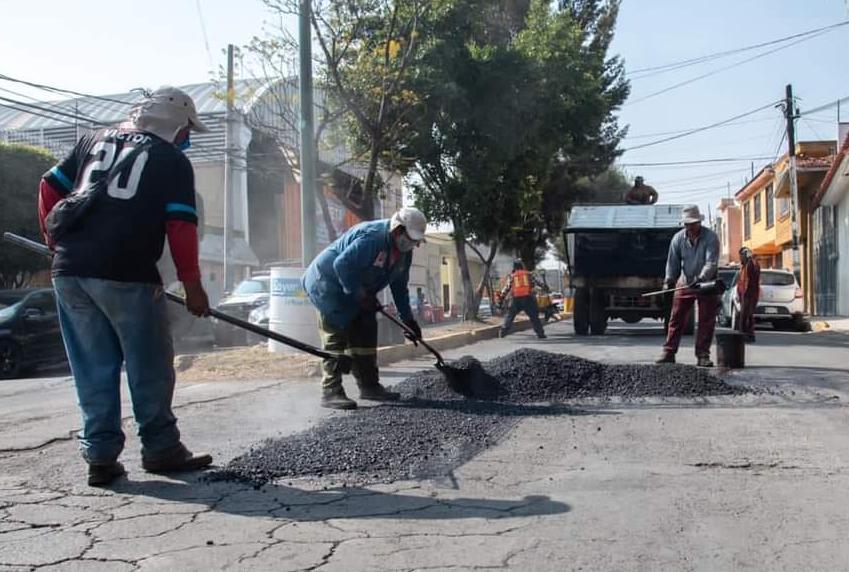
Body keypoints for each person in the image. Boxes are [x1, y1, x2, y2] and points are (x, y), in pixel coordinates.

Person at [38, 86, 213, 486]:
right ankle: (161, 448)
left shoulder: (93, 140)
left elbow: (49, 185)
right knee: (148, 362)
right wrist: (193, 286)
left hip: (70, 272)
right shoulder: (170, 160)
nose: (188, 139)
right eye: (187, 130)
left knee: (92, 366)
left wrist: (54, 243)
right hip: (127, 271)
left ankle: (100, 456)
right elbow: (181, 226)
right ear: (175, 125)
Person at [303, 207, 427, 410]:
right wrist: (360, 295)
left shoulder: (405, 252)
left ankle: (369, 386)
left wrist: (408, 320)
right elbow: (341, 264)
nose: (414, 245)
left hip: (357, 290)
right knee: (336, 336)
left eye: (416, 241)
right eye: (411, 239)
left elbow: (399, 286)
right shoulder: (373, 238)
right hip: (327, 285)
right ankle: (330, 391)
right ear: (397, 230)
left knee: (367, 328)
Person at [656, 205, 720, 367]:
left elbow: (711, 262)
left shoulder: (710, 237)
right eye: (687, 224)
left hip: (706, 283)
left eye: (693, 223)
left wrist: (701, 278)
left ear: (699, 222)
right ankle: (669, 352)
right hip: (685, 282)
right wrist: (668, 280)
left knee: (706, 320)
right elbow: (672, 263)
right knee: (676, 318)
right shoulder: (677, 239)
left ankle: (703, 355)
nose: (690, 227)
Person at [499, 260, 547, 339]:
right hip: (528, 298)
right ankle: (540, 333)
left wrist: (501, 297)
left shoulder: (512, 276)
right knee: (534, 317)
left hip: (516, 299)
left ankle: (503, 332)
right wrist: (544, 287)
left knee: (510, 316)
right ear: (522, 266)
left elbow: (507, 288)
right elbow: (538, 283)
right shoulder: (528, 274)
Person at [736, 247, 761, 342]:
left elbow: (749, 280)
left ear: (746, 255)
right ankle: (748, 335)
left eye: (741, 256)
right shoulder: (744, 266)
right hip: (745, 294)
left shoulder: (751, 265)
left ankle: (745, 335)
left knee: (745, 316)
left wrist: (750, 259)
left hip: (749, 295)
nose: (740, 258)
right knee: (747, 316)